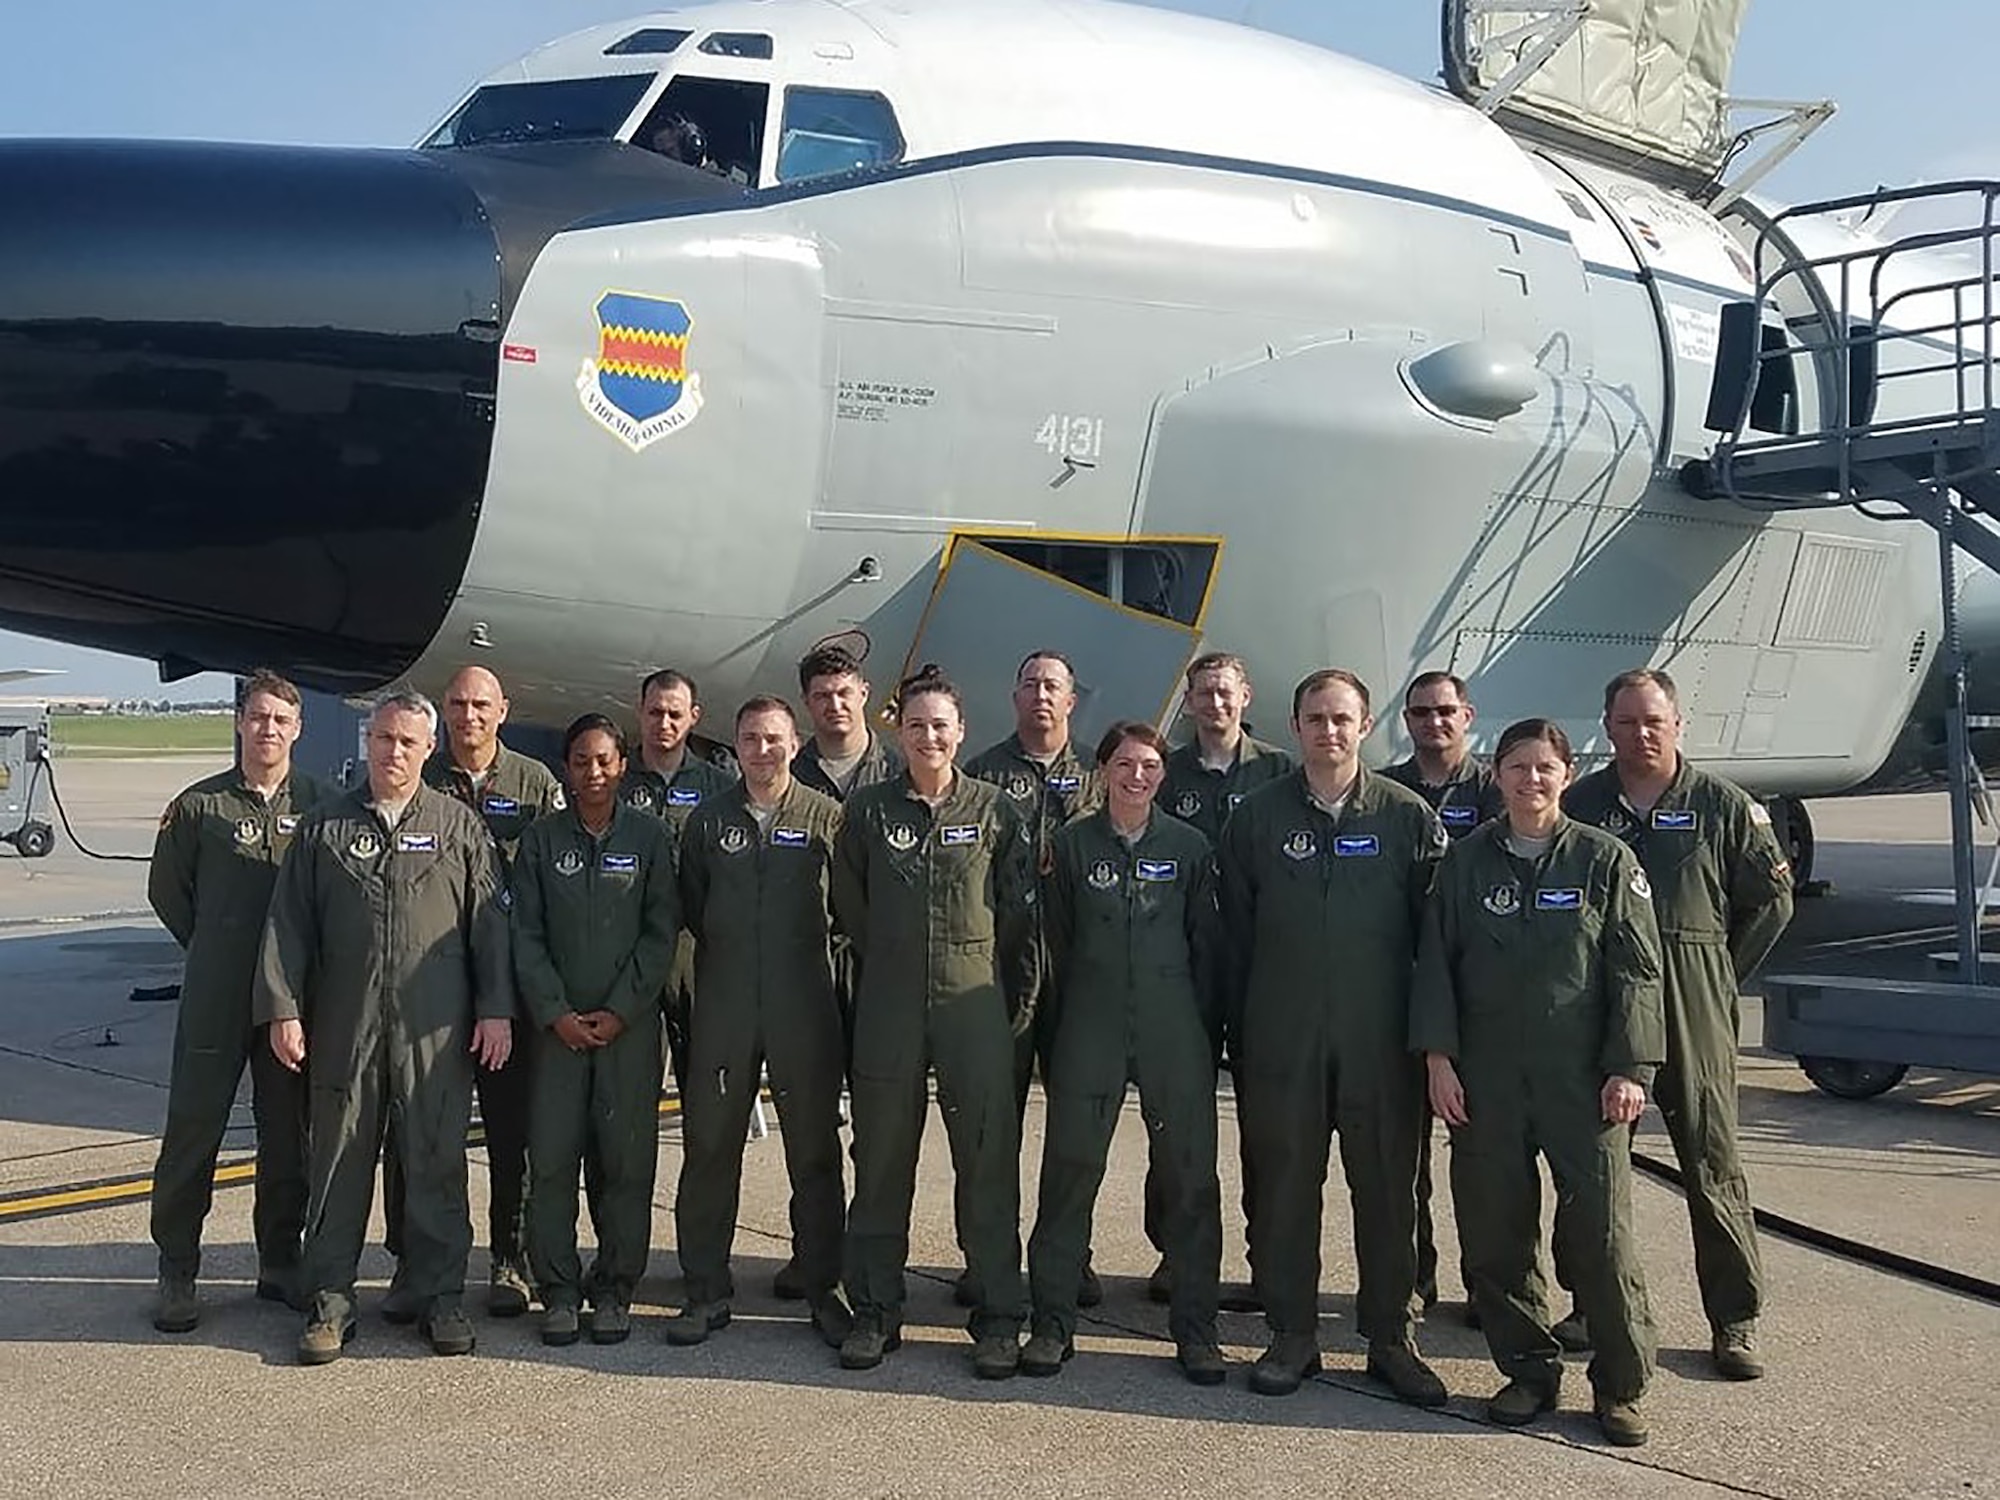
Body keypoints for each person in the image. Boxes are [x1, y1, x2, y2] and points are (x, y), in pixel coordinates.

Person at [1412, 717, 1665, 1447]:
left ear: (1565, 773)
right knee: (1495, 1234)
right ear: (1497, 775)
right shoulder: (1465, 863)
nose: (1531, 781)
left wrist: (1630, 1067)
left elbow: (1637, 971)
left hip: (1581, 1080)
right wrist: (1438, 1059)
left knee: (1601, 1236)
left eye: (1545, 768)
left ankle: (1620, 1386)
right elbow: (1438, 965)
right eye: (1517, 768)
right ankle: (1526, 1370)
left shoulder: (1604, 861)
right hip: (1485, 1078)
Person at [255, 690, 514, 1364]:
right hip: (347, 1022)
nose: (393, 752)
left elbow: (490, 925)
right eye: (383, 740)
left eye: (407, 742)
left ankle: (440, 1295)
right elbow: (288, 926)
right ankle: (330, 1301)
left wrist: (495, 1008)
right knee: (338, 1159)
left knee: (435, 1159)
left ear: (430, 748)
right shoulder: (324, 828)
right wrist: (284, 1008)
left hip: (435, 1026)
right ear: (366, 743)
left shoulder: (459, 828)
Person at [1219, 669, 1448, 1404]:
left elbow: (1436, 941)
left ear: (1365, 724)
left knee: (1387, 1190)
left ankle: (1391, 1336)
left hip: (1380, 1043)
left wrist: (1430, 1040)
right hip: (1282, 1039)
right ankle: (1291, 1334)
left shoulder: (1407, 818)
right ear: (1295, 726)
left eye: (1342, 718)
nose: (1329, 731)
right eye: (1315, 718)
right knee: (1285, 1187)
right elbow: (1233, 935)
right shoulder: (1256, 818)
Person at [1562, 668, 1793, 1379]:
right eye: (1627, 722)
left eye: (1653, 721)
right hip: (1605, 1008)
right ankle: (1586, 1304)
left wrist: (1717, 969)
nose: (1640, 734)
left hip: (1692, 999)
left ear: (1677, 723)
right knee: (1594, 1167)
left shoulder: (1723, 806)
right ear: (1607, 727)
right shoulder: (1583, 803)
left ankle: (1734, 1319)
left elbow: (1773, 901)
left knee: (1711, 1161)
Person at [833, 667, 1039, 1379]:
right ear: (900, 730)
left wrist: (978, 974)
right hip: (890, 1005)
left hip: (971, 1003)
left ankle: (999, 1317)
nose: (928, 736)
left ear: (961, 732)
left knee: (986, 1163)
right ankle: (875, 1311)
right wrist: (895, 958)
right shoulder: (867, 812)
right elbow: (850, 904)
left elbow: (1016, 912)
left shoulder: (993, 811)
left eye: (941, 725)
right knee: (882, 1162)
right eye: (916, 724)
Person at [1023, 721, 1226, 1386]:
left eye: (1149, 766)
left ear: (1163, 774)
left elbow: (1208, 947)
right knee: (1069, 1171)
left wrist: (1202, 1032)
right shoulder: (1072, 846)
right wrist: (1055, 1038)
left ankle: (1196, 1331)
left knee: (1191, 1179)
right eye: (1125, 765)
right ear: (1103, 770)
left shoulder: (1190, 847)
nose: (1137, 776)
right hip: (1092, 1023)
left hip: (1174, 1029)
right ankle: (1052, 1323)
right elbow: (1054, 942)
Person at [380, 664, 563, 1320]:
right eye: (457, 703)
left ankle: (510, 1258)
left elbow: (550, 888)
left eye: (481, 704)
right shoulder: (419, 778)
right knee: (416, 1133)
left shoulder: (535, 785)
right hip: (431, 992)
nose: (469, 715)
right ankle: (410, 1259)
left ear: (504, 709)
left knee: (513, 1131)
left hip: (508, 992)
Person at [668, 696, 851, 1349]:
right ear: (735, 747)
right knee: (711, 1147)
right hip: (725, 1005)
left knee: (815, 1151)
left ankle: (825, 1288)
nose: (763, 750)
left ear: (794, 744)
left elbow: (849, 914)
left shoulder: (829, 819)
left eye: (774, 739)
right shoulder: (708, 823)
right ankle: (704, 1290)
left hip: (805, 1005)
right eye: (750, 739)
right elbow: (691, 904)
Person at [146, 670, 326, 1332]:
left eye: (281, 719)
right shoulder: (199, 807)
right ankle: (178, 1267)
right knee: (194, 1129)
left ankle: (280, 1261)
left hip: (290, 1003)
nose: (268, 729)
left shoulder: (323, 805)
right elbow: (169, 893)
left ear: (298, 727)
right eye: (257, 717)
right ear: (240, 723)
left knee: (288, 1136)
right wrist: (218, 946)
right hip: (217, 996)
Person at [512, 715, 679, 1348]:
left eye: (605, 760)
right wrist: (553, 1010)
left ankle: (613, 1287)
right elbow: (523, 933)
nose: (594, 772)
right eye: (581, 761)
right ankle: (557, 1288)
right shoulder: (540, 841)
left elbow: (661, 932)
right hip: (555, 1034)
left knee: (625, 1165)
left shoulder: (652, 839)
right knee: (552, 1161)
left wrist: (623, 1009)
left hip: (627, 1034)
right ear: (566, 768)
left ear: (622, 765)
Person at [964, 649, 1104, 1307]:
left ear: (1072, 700)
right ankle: (985, 1256)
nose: (1041, 695)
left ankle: (1068, 1257)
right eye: (1029, 684)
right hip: (1001, 974)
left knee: (1075, 1132)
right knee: (993, 1130)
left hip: (1077, 977)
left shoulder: (1100, 779)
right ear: (1013, 697)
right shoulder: (982, 775)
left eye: (1053, 686)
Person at [1157, 650, 1293, 1309]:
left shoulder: (1279, 773)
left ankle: (1267, 1262)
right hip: (1183, 971)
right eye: (1204, 693)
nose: (1215, 704)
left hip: (1258, 969)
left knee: (1267, 1128)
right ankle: (1174, 1253)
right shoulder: (1163, 771)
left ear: (1247, 697)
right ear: (1188, 701)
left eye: (1225, 693)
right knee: (1176, 1121)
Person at [1381, 669, 1504, 1324]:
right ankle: (1415, 1279)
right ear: (1407, 720)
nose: (1434, 722)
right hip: (1406, 983)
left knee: (1485, 1156)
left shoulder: (1493, 788)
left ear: (1467, 715)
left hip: (1478, 985)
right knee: (1406, 1155)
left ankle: (1491, 1285)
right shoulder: (1390, 791)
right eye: (1422, 712)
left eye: (1445, 711)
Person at [622, 668, 738, 1089]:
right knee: (634, 1079)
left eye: (674, 714)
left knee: (703, 1077)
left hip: (695, 949)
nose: (664, 723)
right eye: (654, 712)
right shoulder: (614, 782)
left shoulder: (722, 789)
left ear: (694, 716)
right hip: (630, 946)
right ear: (639, 712)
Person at [793, 644, 904, 801]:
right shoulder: (791, 776)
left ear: (863, 693)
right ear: (806, 702)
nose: (835, 706)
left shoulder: (900, 774)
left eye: (844, 693)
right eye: (822, 696)